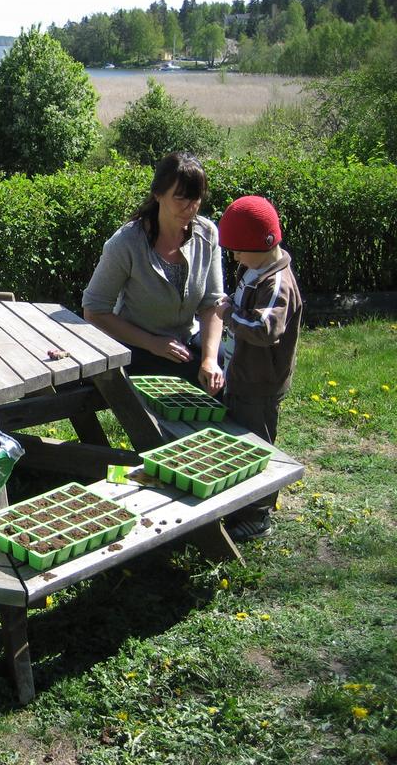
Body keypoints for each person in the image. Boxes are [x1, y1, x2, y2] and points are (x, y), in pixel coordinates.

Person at [78, 151, 225, 394]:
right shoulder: (126, 242)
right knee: (185, 381)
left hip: (186, 339)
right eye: (180, 198)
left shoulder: (207, 234)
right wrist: (153, 343)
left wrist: (210, 360)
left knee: (225, 368)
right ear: (158, 194)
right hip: (137, 346)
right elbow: (94, 311)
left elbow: (212, 304)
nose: (190, 208)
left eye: (196, 198)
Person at [215, 195, 303, 541]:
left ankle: (258, 514)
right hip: (240, 374)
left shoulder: (276, 283)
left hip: (260, 383)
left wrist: (229, 316)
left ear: (264, 244)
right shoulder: (254, 268)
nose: (234, 256)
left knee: (258, 444)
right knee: (236, 439)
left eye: (238, 250)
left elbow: (266, 330)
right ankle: (238, 501)